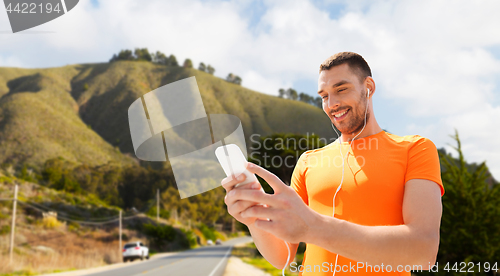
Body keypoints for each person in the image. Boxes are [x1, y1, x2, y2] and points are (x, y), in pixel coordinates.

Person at [222, 52, 444, 275]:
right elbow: (283, 258)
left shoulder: (415, 149)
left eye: (341, 89)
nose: (332, 104)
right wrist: (253, 216)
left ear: (368, 87)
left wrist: (315, 228)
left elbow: (423, 251)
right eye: (324, 96)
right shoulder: (308, 162)